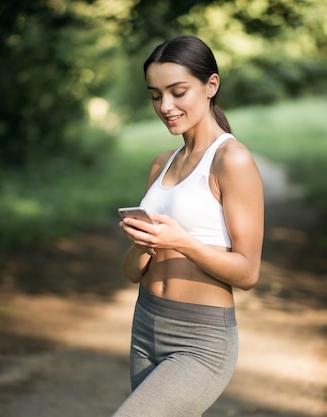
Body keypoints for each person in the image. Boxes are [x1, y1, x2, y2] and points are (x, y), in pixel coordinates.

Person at [112, 35, 264, 417]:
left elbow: (247, 273)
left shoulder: (232, 159)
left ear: (210, 85)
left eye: (178, 92)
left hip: (201, 341)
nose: (165, 106)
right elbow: (132, 273)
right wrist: (143, 244)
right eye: (155, 95)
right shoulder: (160, 162)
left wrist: (184, 242)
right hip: (146, 326)